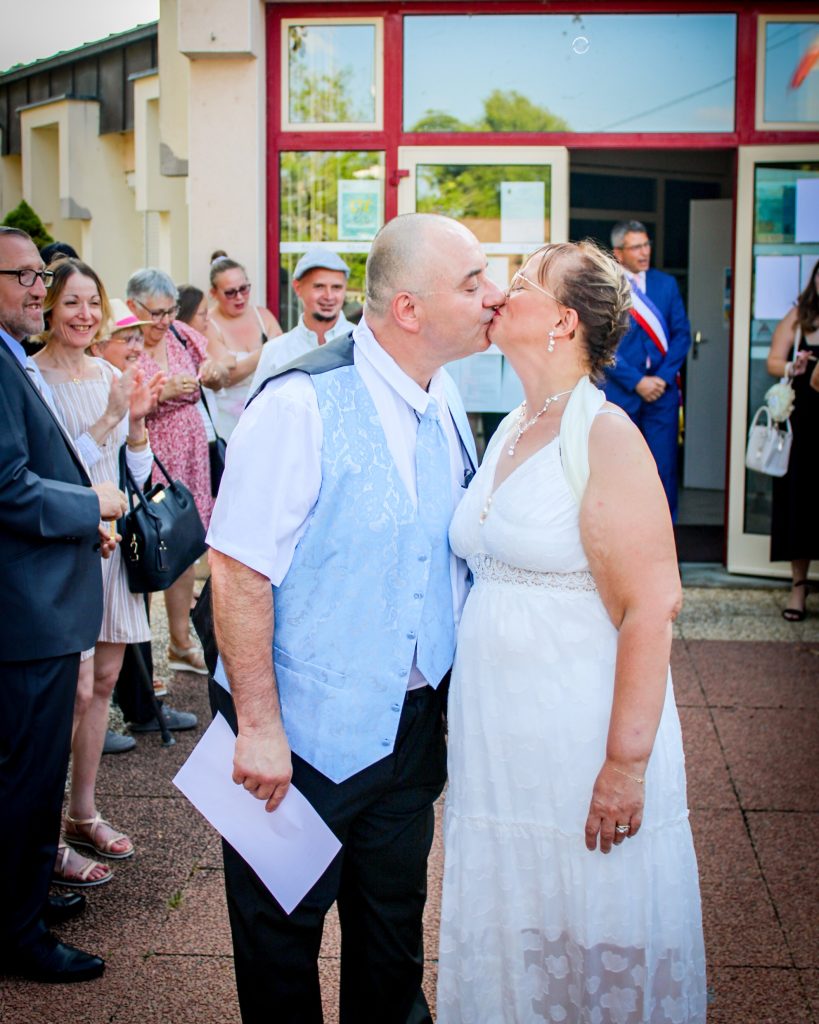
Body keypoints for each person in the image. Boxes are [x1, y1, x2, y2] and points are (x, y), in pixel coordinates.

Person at [206, 213, 504, 1023]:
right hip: (295, 739)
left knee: (391, 940)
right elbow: (236, 570)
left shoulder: (443, 395)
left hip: (408, 734)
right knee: (278, 948)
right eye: (473, 282)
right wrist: (259, 727)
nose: (494, 297)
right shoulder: (296, 405)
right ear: (408, 309)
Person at [437, 241, 706, 1022]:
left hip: (578, 732)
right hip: (501, 741)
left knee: (588, 907)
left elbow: (651, 605)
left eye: (516, 284)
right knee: (522, 911)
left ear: (561, 320)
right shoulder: (512, 426)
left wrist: (625, 765)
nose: (496, 294)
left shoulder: (605, 434)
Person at [0, 227, 127, 982]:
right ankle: (18, 933)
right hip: (24, 613)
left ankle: (20, 902)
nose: (37, 290)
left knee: (26, 774)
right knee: (27, 777)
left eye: (41, 276)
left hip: (36, 593)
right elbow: (9, 487)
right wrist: (92, 505)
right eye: (23, 276)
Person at [33, 260, 164, 886]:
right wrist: (112, 417)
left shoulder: (112, 374)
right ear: (48, 308)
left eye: (93, 302)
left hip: (113, 547)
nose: (84, 314)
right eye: (71, 302)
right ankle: (40, 829)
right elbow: (55, 477)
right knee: (73, 690)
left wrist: (136, 426)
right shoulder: (32, 380)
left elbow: (134, 477)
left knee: (105, 681)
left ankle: (82, 813)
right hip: (67, 549)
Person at [89, 300, 199, 745]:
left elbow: (137, 472)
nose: (138, 345)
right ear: (100, 345)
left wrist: (136, 423)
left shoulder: (122, 383)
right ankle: (113, 713)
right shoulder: (96, 387)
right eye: (127, 337)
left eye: (139, 337)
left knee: (129, 615)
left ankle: (139, 706)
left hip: (120, 519)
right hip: (93, 527)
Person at [127, 268, 225, 677]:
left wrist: (215, 373)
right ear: (133, 307)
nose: (164, 321)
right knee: (149, 549)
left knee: (184, 546)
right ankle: (142, 657)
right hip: (151, 460)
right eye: (157, 313)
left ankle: (182, 643)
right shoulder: (126, 345)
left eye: (170, 312)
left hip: (192, 460)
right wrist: (161, 393)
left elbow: (218, 366)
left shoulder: (182, 336)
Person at [603, 220, 691, 521]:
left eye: (646, 244)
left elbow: (682, 335)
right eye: (636, 246)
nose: (644, 252)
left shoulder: (665, 284)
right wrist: (637, 381)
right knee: (618, 473)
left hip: (661, 395)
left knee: (662, 471)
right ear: (618, 253)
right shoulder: (606, 287)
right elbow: (602, 344)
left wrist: (661, 379)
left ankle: (665, 555)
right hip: (621, 393)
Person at [766, 257, 819, 622]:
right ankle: (798, 588)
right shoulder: (800, 317)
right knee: (801, 501)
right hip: (805, 424)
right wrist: (792, 367)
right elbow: (772, 360)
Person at [248, 247, 353, 394]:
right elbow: (256, 412)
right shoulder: (275, 352)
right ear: (297, 288)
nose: (329, 296)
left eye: (336, 287)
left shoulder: (364, 344)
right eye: (319, 287)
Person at [205, 253, 282, 437]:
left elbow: (284, 356)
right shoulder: (208, 324)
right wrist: (267, 350)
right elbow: (227, 377)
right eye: (230, 292)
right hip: (229, 421)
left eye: (244, 289)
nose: (239, 297)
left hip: (267, 414)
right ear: (214, 293)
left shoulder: (262, 315)